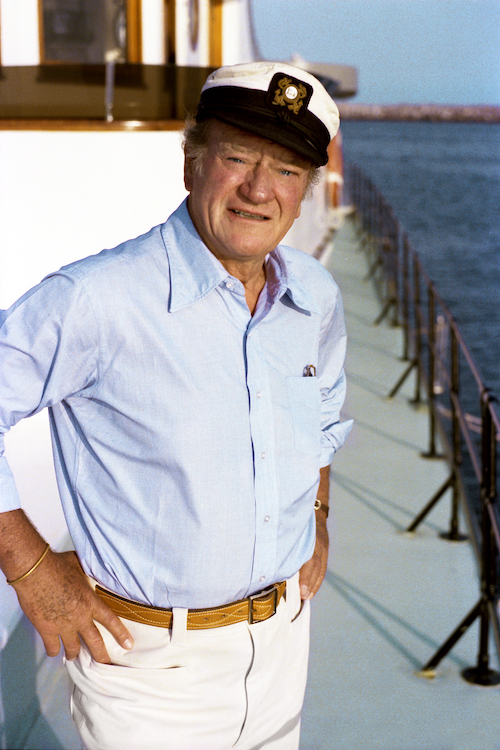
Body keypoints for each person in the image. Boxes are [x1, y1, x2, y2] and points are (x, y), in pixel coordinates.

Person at [0, 61, 351, 750]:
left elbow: (325, 418)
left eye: (284, 169)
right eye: (238, 157)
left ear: (306, 189)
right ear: (192, 161)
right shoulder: (98, 298)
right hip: (149, 668)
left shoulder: (314, 294)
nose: (257, 189)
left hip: (282, 645)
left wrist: (318, 512)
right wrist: (33, 569)